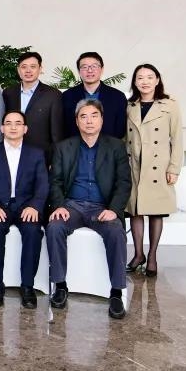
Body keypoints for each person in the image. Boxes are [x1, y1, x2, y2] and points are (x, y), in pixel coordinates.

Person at [46, 99, 132, 319]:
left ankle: (116, 291)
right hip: (72, 205)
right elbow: (55, 181)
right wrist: (59, 205)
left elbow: (124, 182)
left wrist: (114, 209)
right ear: (77, 121)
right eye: (83, 117)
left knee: (115, 231)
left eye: (94, 116)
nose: (89, 121)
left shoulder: (116, 146)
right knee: (54, 227)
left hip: (102, 207)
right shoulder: (64, 147)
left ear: (102, 120)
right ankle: (60, 286)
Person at [0, 110, 48, 309]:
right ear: (2, 128)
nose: (13, 127)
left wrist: (35, 206)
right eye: (8, 123)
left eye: (18, 123)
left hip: (27, 207)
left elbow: (43, 184)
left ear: (25, 129)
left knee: (33, 232)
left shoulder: (36, 153)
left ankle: (27, 286)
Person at [125, 64, 183, 278]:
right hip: (134, 164)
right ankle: (138, 254)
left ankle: (152, 256)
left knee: (156, 211)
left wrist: (174, 167)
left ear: (157, 80)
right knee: (135, 210)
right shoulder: (130, 105)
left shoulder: (170, 105)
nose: (145, 81)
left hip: (158, 165)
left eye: (150, 77)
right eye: (140, 78)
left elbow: (177, 138)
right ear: (135, 82)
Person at [2, 51, 63, 165]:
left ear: (40, 69)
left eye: (33, 67)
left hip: (42, 157)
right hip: (12, 154)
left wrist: (55, 162)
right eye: (24, 67)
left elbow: (56, 133)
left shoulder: (53, 95)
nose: (28, 70)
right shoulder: (8, 93)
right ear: (18, 70)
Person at [61, 52, 127, 139]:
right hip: (75, 146)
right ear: (79, 71)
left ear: (102, 69)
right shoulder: (67, 96)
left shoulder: (118, 97)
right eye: (84, 67)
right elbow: (64, 127)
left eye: (94, 66)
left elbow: (120, 129)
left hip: (108, 146)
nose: (89, 70)